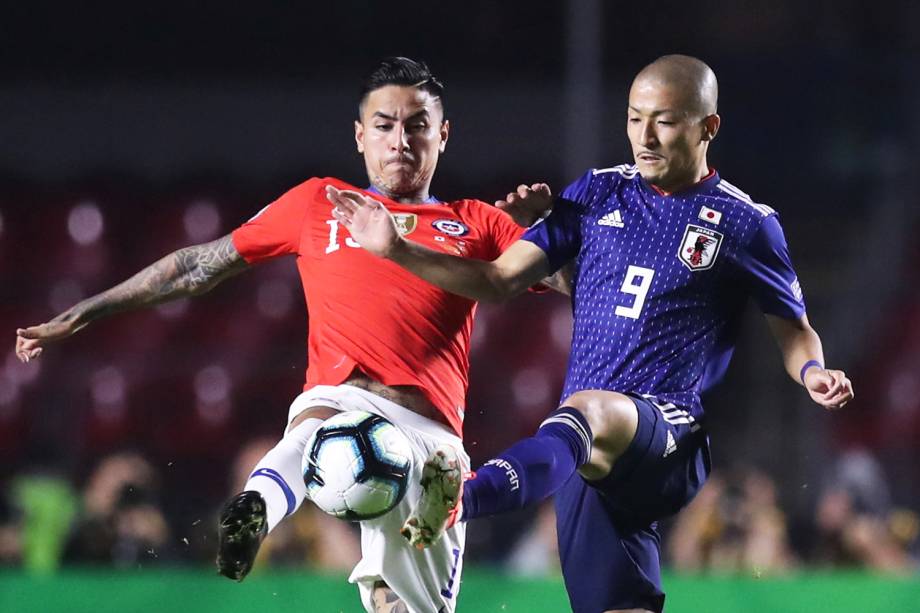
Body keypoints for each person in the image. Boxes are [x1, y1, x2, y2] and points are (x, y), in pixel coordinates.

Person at [14, 56, 555, 613]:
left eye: (416, 125)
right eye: (384, 125)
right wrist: (89, 309)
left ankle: (294, 496)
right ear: (359, 135)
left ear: (442, 135)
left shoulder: (478, 222)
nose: (400, 141)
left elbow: (581, 287)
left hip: (427, 428)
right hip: (343, 400)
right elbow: (199, 265)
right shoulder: (320, 203)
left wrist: (553, 229)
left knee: (401, 607)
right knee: (319, 417)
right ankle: (256, 506)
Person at [328, 54, 855, 612]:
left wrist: (813, 371)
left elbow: (794, 329)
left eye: (666, 121)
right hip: (584, 456)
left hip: (666, 432)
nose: (644, 137)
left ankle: (458, 496)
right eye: (634, 118)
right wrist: (399, 251)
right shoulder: (595, 194)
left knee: (590, 411)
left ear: (708, 127)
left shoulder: (746, 223)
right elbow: (499, 280)